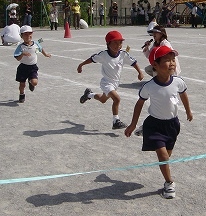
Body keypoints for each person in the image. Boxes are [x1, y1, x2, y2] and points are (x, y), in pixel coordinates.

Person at [124, 46, 193, 199]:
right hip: (154, 124)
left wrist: (188, 111)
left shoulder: (178, 82)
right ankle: (169, 183)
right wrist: (132, 124)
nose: (172, 63)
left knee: (166, 157)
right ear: (155, 65)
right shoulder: (149, 86)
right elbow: (139, 103)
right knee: (162, 156)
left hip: (172, 125)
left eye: (173, 59)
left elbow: (184, 95)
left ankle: (166, 174)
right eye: (167, 60)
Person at [77, 30, 144, 129]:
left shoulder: (123, 54)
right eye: (115, 43)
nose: (118, 45)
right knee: (116, 99)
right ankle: (116, 121)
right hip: (106, 83)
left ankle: (88, 94)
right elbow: (92, 59)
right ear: (108, 44)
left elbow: (133, 62)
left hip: (115, 84)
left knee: (103, 99)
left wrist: (140, 72)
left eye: (120, 43)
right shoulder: (103, 55)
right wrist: (81, 65)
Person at [13, 25, 51, 103]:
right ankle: (22, 94)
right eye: (25, 35)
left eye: (30, 34)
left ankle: (31, 82)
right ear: (21, 36)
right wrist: (22, 54)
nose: (28, 36)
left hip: (33, 67)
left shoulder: (36, 43)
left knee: (35, 82)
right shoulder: (21, 47)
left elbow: (40, 49)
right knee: (22, 84)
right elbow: (17, 58)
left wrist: (46, 54)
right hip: (23, 67)